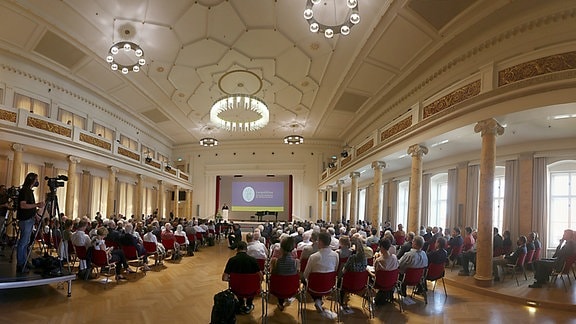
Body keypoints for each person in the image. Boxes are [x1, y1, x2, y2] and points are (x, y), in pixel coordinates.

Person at [302, 232, 339, 319]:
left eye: (318, 241)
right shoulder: (336, 255)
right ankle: (319, 300)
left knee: (306, 280)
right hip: (329, 286)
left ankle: (317, 300)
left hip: (314, 287)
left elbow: (306, 274)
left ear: (321, 242)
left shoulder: (313, 257)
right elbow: (335, 270)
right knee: (322, 280)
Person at [222, 241, 262, 314]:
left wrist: (232, 280)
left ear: (237, 249)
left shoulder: (232, 260)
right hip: (252, 288)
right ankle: (249, 304)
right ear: (246, 249)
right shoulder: (253, 260)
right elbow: (260, 276)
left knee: (239, 288)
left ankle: (241, 304)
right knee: (249, 289)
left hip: (236, 289)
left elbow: (224, 278)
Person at [16, 173, 45, 274]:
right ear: (32, 180)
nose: (37, 181)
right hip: (25, 220)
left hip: (29, 219)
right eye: (36, 179)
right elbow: (23, 205)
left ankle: (24, 261)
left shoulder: (29, 191)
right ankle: (20, 264)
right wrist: (37, 204)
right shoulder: (25, 190)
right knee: (23, 243)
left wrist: (36, 215)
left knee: (26, 242)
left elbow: (29, 207)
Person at [339, 236, 367, 314]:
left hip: (348, 285)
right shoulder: (365, 258)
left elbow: (344, 271)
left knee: (340, 280)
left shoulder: (352, 258)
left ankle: (341, 301)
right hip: (361, 285)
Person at [270, 236, 298, 311]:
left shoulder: (274, 261)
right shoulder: (296, 262)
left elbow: (272, 276)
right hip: (292, 289)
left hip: (277, 289)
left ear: (281, 248)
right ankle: (286, 298)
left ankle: (280, 303)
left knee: (280, 282)